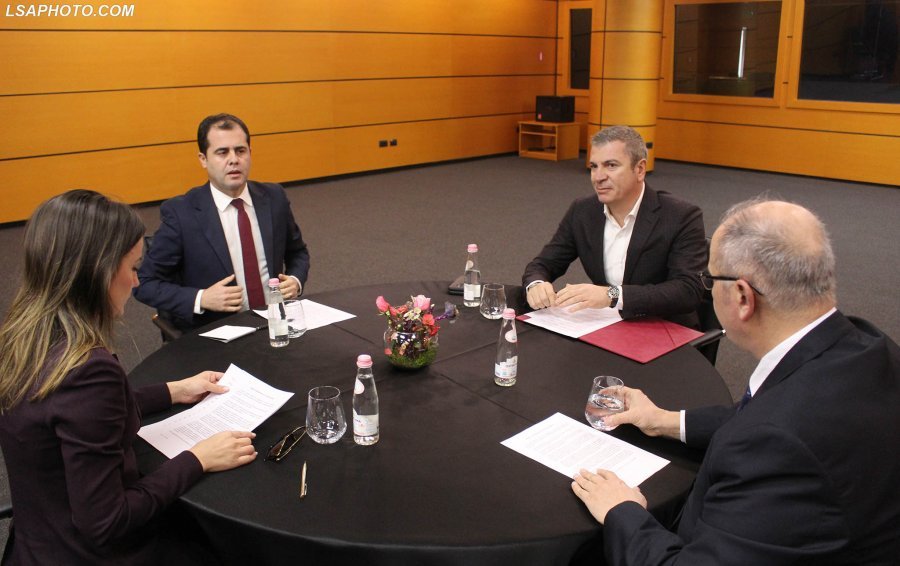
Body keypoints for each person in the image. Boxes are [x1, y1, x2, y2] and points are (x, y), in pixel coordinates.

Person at [571, 199, 900, 564]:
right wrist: (664, 420)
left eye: (709, 280)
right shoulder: (869, 345)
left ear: (742, 297)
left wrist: (622, 510)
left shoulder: (775, 448)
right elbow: (764, 413)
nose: (708, 290)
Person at [0, 190, 258, 565]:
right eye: (133, 268)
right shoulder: (87, 369)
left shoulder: (24, 338)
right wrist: (198, 458)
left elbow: (75, 413)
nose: (136, 282)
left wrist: (175, 390)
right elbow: (107, 522)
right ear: (98, 271)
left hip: (36, 539)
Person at [134, 113, 310, 331]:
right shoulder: (182, 213)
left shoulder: (274, 198)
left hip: (276, 325)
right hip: (218, 332)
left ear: (250, 153)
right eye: (222, 152)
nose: (234, 159)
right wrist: (201, 298)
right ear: (203, 159)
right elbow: (144, 283)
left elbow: (297, 252)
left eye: (240, 151)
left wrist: (295, 280)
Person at [522, 126, 706, 327]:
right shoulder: (583, 211)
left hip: (663, 326)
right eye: (594, 166)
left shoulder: (681, 215)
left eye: (611, 165)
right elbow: (542, 264)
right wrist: (536, 284)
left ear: (640, 169)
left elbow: (688, 290)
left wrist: (612, 295)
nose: (598, 177)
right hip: (605, 325)